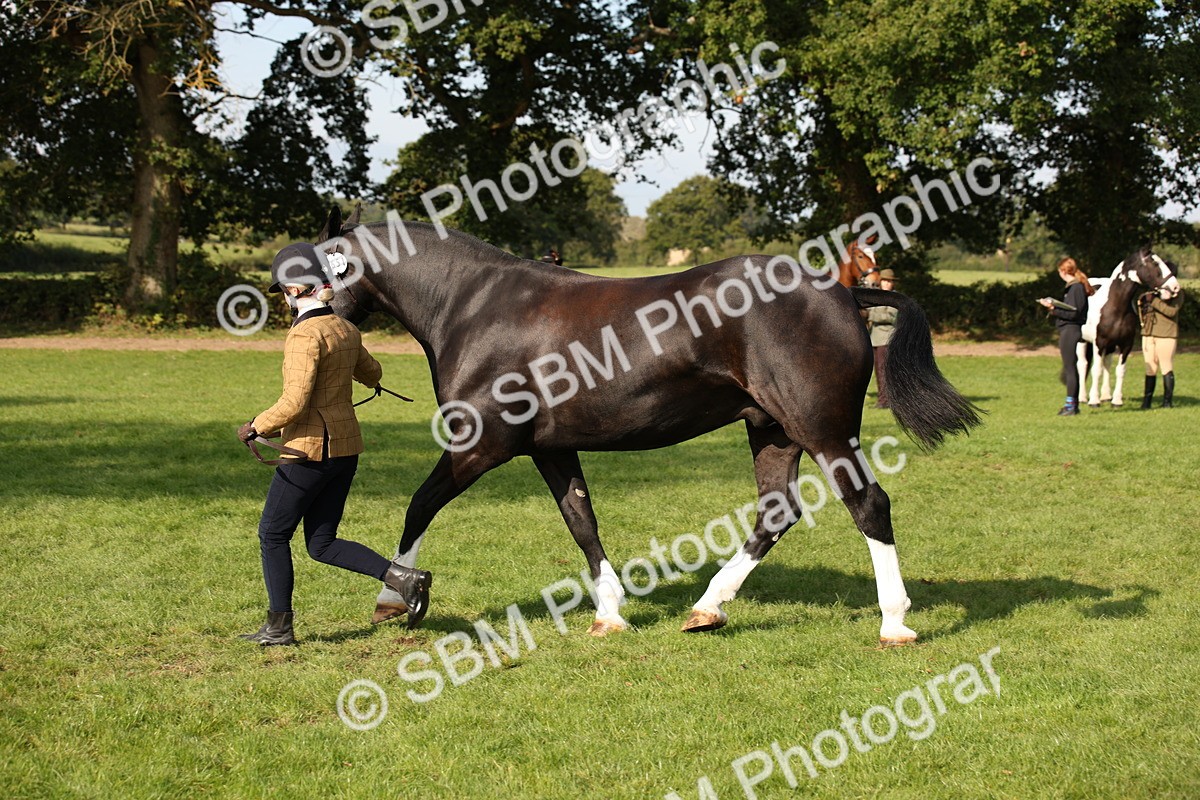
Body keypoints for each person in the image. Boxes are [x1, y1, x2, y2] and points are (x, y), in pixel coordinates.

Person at [237, 242, 431, 646]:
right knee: (321, 543)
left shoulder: (304, 335)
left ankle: (279, 628)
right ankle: (402, 577)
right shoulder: (345, 328)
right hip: (345, 450)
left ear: (293, 290)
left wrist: (256, 425)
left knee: (272, 534)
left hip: (308, 452)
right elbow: (373, 372)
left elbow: (294, 402)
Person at [1039, 257, 1095, 416]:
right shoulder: (1074, 287)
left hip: (1070, 330)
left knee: (1070, 368)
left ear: (1063, 271)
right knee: (1070, 367)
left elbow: (1073, 313)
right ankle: (1072, 403)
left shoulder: (1075, 287)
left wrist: (1052, 309)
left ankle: (1071, 405)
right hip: (1069, 329)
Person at [1139, 265, 1185, 409]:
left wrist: (1153, 301)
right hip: (1148, 333)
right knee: (1150, 368)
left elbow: (1171, 311)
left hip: (1166, 334)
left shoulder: (1178, 293)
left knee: (1166, 367)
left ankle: (1167, 402)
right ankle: (1147, 402)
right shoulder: (1153, 291)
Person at [865, 268, 899, 409]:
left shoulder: (894, 298)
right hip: (874, 337)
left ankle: (885, 400)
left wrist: (870, 316)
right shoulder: (877, 296)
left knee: (883, 369)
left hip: (886, 337)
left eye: (889, 281)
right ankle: (884, 398)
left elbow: (890, 317)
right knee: (877, 370)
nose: (886, 284)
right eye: (884, 281)